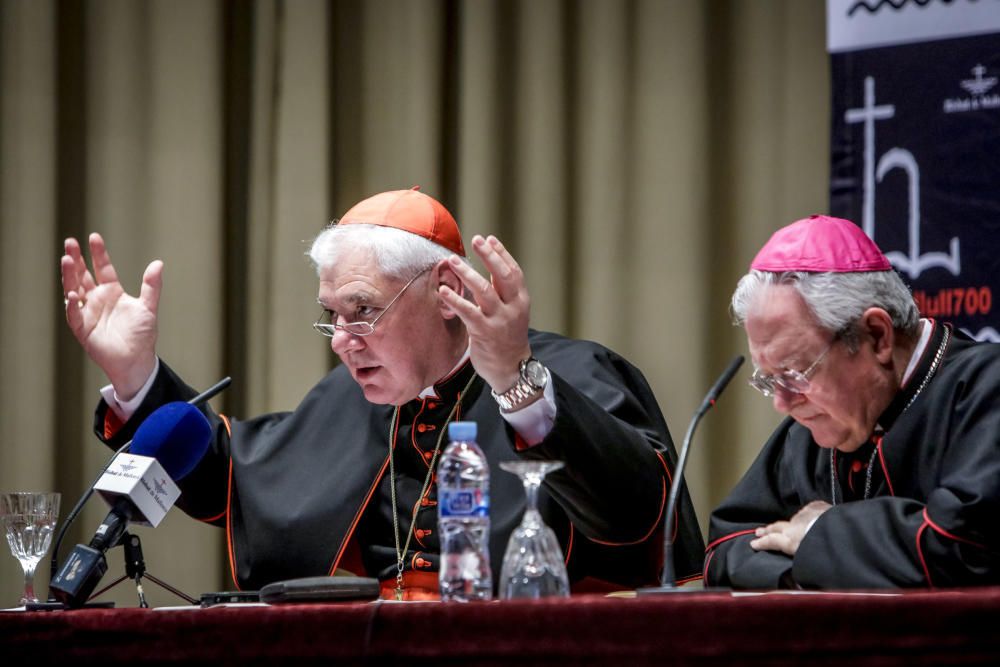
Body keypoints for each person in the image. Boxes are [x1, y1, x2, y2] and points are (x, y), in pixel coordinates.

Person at [61, 187, 704, 598]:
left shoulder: (570, 370)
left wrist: (515, 380)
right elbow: (231, 478)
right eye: (331, 316)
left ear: (447, 292)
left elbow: (638, 512)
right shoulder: (350, 396)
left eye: (363, 310)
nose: (342, 341)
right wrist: (136, 376)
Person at [705, 214, 1000, 589]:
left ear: (877, 336)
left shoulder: (986, 388)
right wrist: (817, 565)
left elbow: (966, 548)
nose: (782, 402)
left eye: (796, 373)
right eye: (770, 380)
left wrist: (817, 532)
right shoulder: (812, 429)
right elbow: (725, 548)